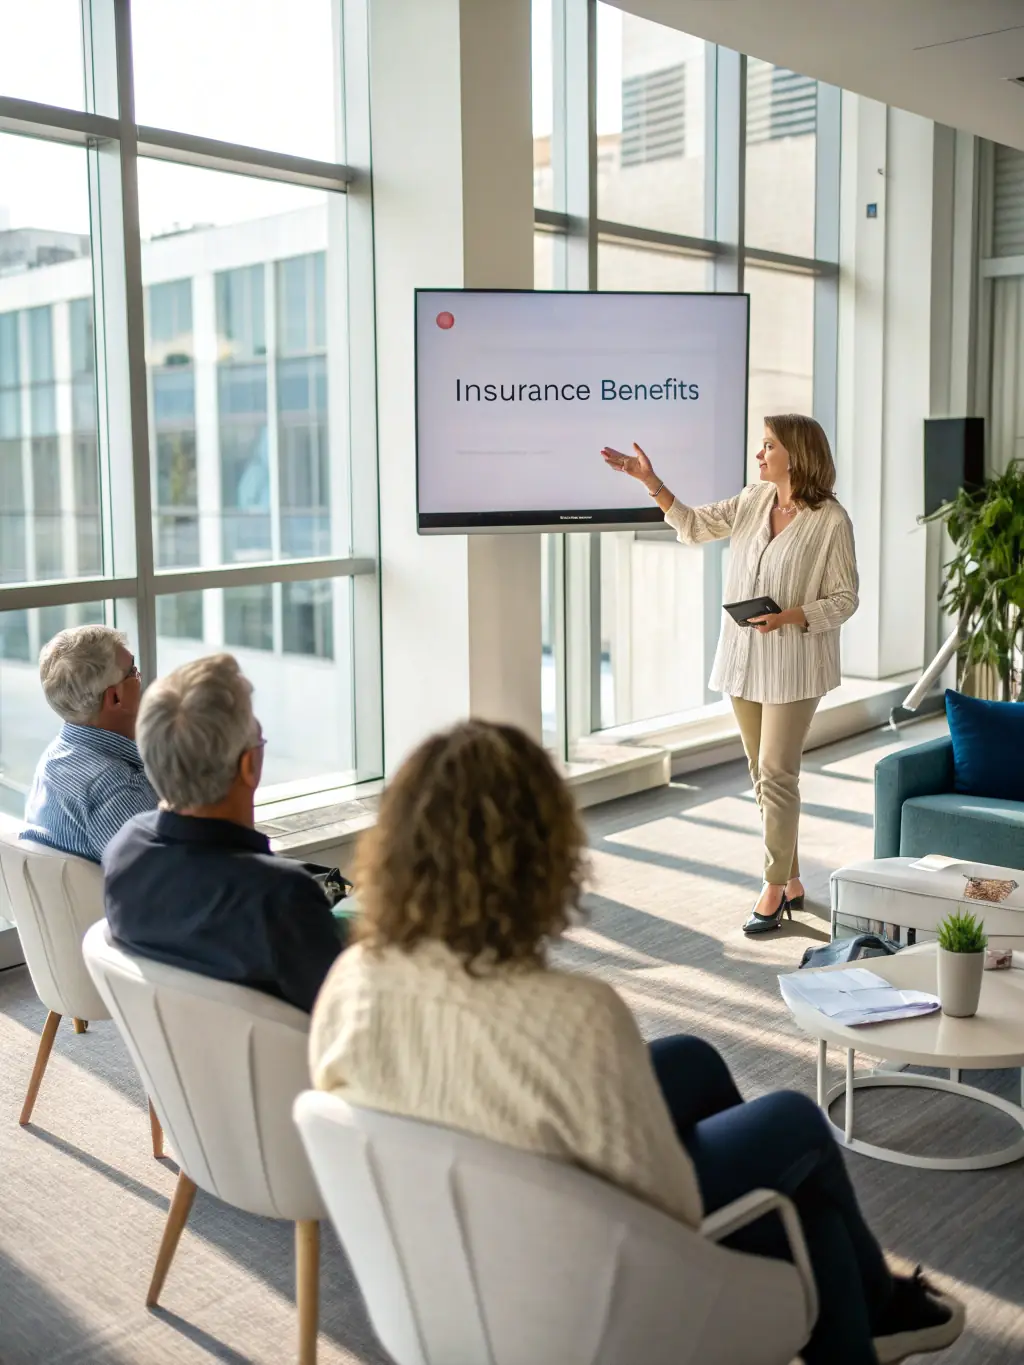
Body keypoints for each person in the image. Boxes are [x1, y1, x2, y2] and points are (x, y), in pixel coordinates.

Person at [310, 720, 964, 1365]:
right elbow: (671, 1199)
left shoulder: (351, 982)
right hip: (582, 1270)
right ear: (544, 859)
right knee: (795, 1139)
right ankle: (871, 1306)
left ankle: (871, 1303)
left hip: (442, 1248)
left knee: (694, 1059)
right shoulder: (575, 1017)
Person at [601, 415, 858, 934]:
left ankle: (771, 888)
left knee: (777, 773)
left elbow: (846, 597)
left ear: (797, 455)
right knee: (762, 777)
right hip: (744, 660)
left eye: (769, 446)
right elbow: (694, 527)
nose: (760, 455)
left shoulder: (831, 520)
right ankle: (792, 879)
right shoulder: (752, 501)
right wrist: (651, 482)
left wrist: (789, 615)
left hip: (795, 663)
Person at [103, 653, 341, 1013]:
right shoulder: (281, 899)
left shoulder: (125, 851)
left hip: (174, 1062)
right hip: (282, 1068)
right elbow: (353, 1027)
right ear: (249, 765)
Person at [22, 625, 157, 863]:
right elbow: (169, 882)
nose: (140, 678)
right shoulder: (117, 788)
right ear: (115, 697)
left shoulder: (53, 758)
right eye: (133, 672)